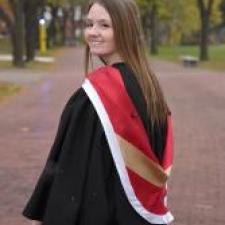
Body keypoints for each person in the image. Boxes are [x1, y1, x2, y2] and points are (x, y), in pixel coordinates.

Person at [22, 0, 174, 225]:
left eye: (104, 25)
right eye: (89, 24)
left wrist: (45, 214)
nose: (93, 32)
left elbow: (72, 169)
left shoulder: (94, 97)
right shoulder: (150, 86)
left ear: (126, 29)